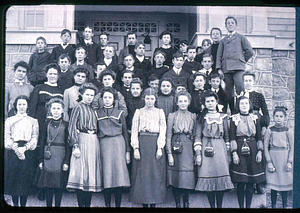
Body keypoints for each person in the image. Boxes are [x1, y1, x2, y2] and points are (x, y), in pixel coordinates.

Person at [194, 90, 234, 208]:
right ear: (205, 103)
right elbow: (197, 136)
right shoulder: (201, 117)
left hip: (220, 149)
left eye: (212, 101)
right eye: (208, 101)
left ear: (216, 102)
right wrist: (198, 154)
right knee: (208, 176)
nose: (210, 103)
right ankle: (212, 206)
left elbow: (227, 136)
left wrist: (228, 153)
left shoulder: (223, 117)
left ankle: (219, 206)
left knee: (220, 177)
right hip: (206, 148)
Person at [129, 88, 167, 208]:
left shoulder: (160, 112)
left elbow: (163, 130)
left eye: (152, 99)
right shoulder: (139, 112)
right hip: (142, 144)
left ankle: (154, 201)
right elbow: (134, 130)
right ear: (143, 99)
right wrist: (136, 148)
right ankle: (144, 201)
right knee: (142, 174)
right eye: (147, 98)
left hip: (154, 144)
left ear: (155, 99)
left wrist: (160, 147)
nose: (149, 101)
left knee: (155, 173)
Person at [66, 83, 102, 207]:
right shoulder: (78, 107)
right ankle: (81, 205)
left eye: (92, 95)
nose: (89, 97)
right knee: (81, 173)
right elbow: (71, 127)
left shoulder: (94, 109)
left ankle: (88, 205)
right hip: (81, 140)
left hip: (94, 142)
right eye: (87, 94)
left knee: (90, 174)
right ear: (81, 94)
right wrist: (75, 145)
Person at [96, 87, 131, 207]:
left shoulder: (119, 113)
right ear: (101, 99)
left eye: (109, 97)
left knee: (118, 173)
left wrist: (127, 151)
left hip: (118, 143)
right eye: (105, 97)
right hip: (104, 144)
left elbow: (125, 132)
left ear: (114, 100)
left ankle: (118, 204)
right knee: (107, 173)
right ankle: (107, 203)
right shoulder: (97, 113)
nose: (107, 100)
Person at [230, 96, 266, 208]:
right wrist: (234, 153)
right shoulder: (234, 119)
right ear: (238, 106)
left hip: (253, 148)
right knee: (241, 181)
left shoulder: (255, 118)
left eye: (246, 103)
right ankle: (241, 206)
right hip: (240, 149)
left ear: (249, 105)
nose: (244, 105)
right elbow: (232, 137)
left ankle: (248, 206)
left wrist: (260, 151)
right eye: (241, 104)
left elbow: (259, 137)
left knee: (251, 181)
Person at [4, 95, 39, 207]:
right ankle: (14, 205)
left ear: (27, 106)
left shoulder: (33, 121)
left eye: (24, 104)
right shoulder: (9, 120)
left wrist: (25, 148)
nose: (22, 107)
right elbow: (7, 138)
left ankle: (23, 206)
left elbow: (34, 138)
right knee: (14, 179)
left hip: (27, 151)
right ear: (15, 106)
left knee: (24, 179)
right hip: (12, 152)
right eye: (19, 104)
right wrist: (16, 149)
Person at [37, 98, 71, 207]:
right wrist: (41, 160)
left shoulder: (66, 124)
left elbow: (68, 144)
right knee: (48, 185)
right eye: (54, 108)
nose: (56, 110)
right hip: (48, 155)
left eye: (58, 108)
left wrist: (66, 161)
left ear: (62, 110)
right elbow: (42, 142)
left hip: (60, 155)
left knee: (58, 185)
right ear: (50, 110)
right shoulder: (46, 123)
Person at [216, 16, 254, 113]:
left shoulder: (241, 38)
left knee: (240, 90)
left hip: (238, 68)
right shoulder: (223, 41)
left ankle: (241, 111)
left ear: (236, 25)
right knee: (227, 92)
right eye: (228, 23)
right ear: (225, 26)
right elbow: (219, 55)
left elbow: (249, 51)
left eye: (232, 23)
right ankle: (230, 112)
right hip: (226, 68)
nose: (230, 24)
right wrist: (219, 68)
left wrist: (241, 60)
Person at [166, 91, 196, 208]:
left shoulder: (193, 116)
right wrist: (169, 153)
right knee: (175, 175)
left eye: (185, 101)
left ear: (189, 102)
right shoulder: (172, 116)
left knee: (186, 177)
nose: (183, 103)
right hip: (175, 145)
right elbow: (168, 135)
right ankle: (177, 202)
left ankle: (186, 201)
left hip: (188, 147)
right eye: (180, 101)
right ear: (177, 103)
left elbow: (195, 134)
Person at [264, 106, 293, 209]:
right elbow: (265, 147)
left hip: (284, 159)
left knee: (284, 184)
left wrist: (290, 161)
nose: (278, 118)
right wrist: (269, 162)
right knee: (274, 186)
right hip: (273, 158)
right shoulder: (269, 130)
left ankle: (285, 205)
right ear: (273, 117)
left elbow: (292, 147)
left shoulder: (288, 130)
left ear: (285, 118)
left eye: (281, 116)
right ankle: (273, 205)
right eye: (276, 116)